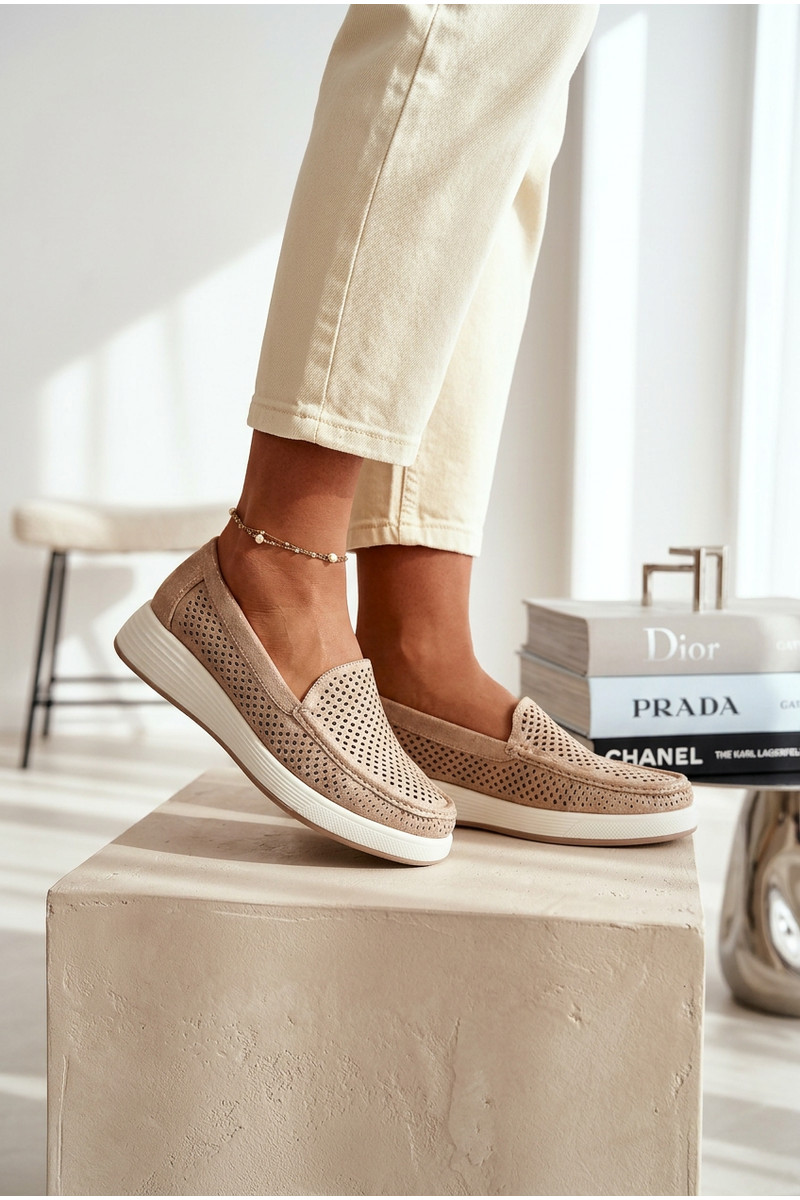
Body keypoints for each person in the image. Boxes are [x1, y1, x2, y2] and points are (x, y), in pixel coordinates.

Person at [115, 4, 695, 865]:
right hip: (271, 559)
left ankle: (416, 646)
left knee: (513, 108)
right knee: (465, 26)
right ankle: (276, 556)